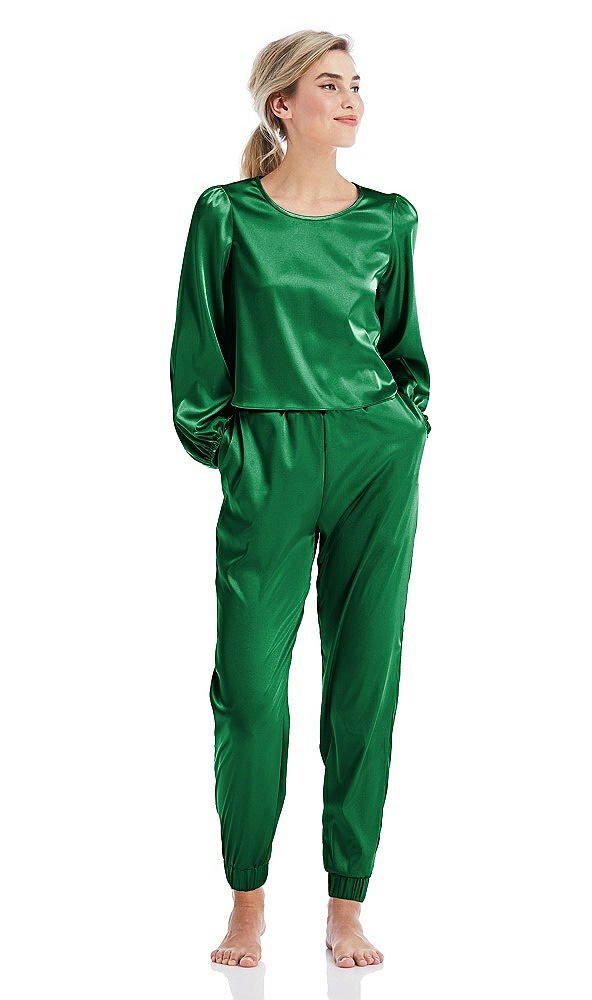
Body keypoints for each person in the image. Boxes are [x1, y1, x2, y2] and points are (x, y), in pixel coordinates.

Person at [169, 29, 431, 970]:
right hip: (266, 454)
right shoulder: (226, 213)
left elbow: (404, 346)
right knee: (248, 689)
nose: (352, 98)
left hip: (373, 454)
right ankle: (247, 904)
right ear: (282, 103)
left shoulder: (390, 218)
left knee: (364, 682)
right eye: (330, 84)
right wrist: (229, 446)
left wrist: (404, 424)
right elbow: (199, 346)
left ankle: (346, 905)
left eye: (356, 83)